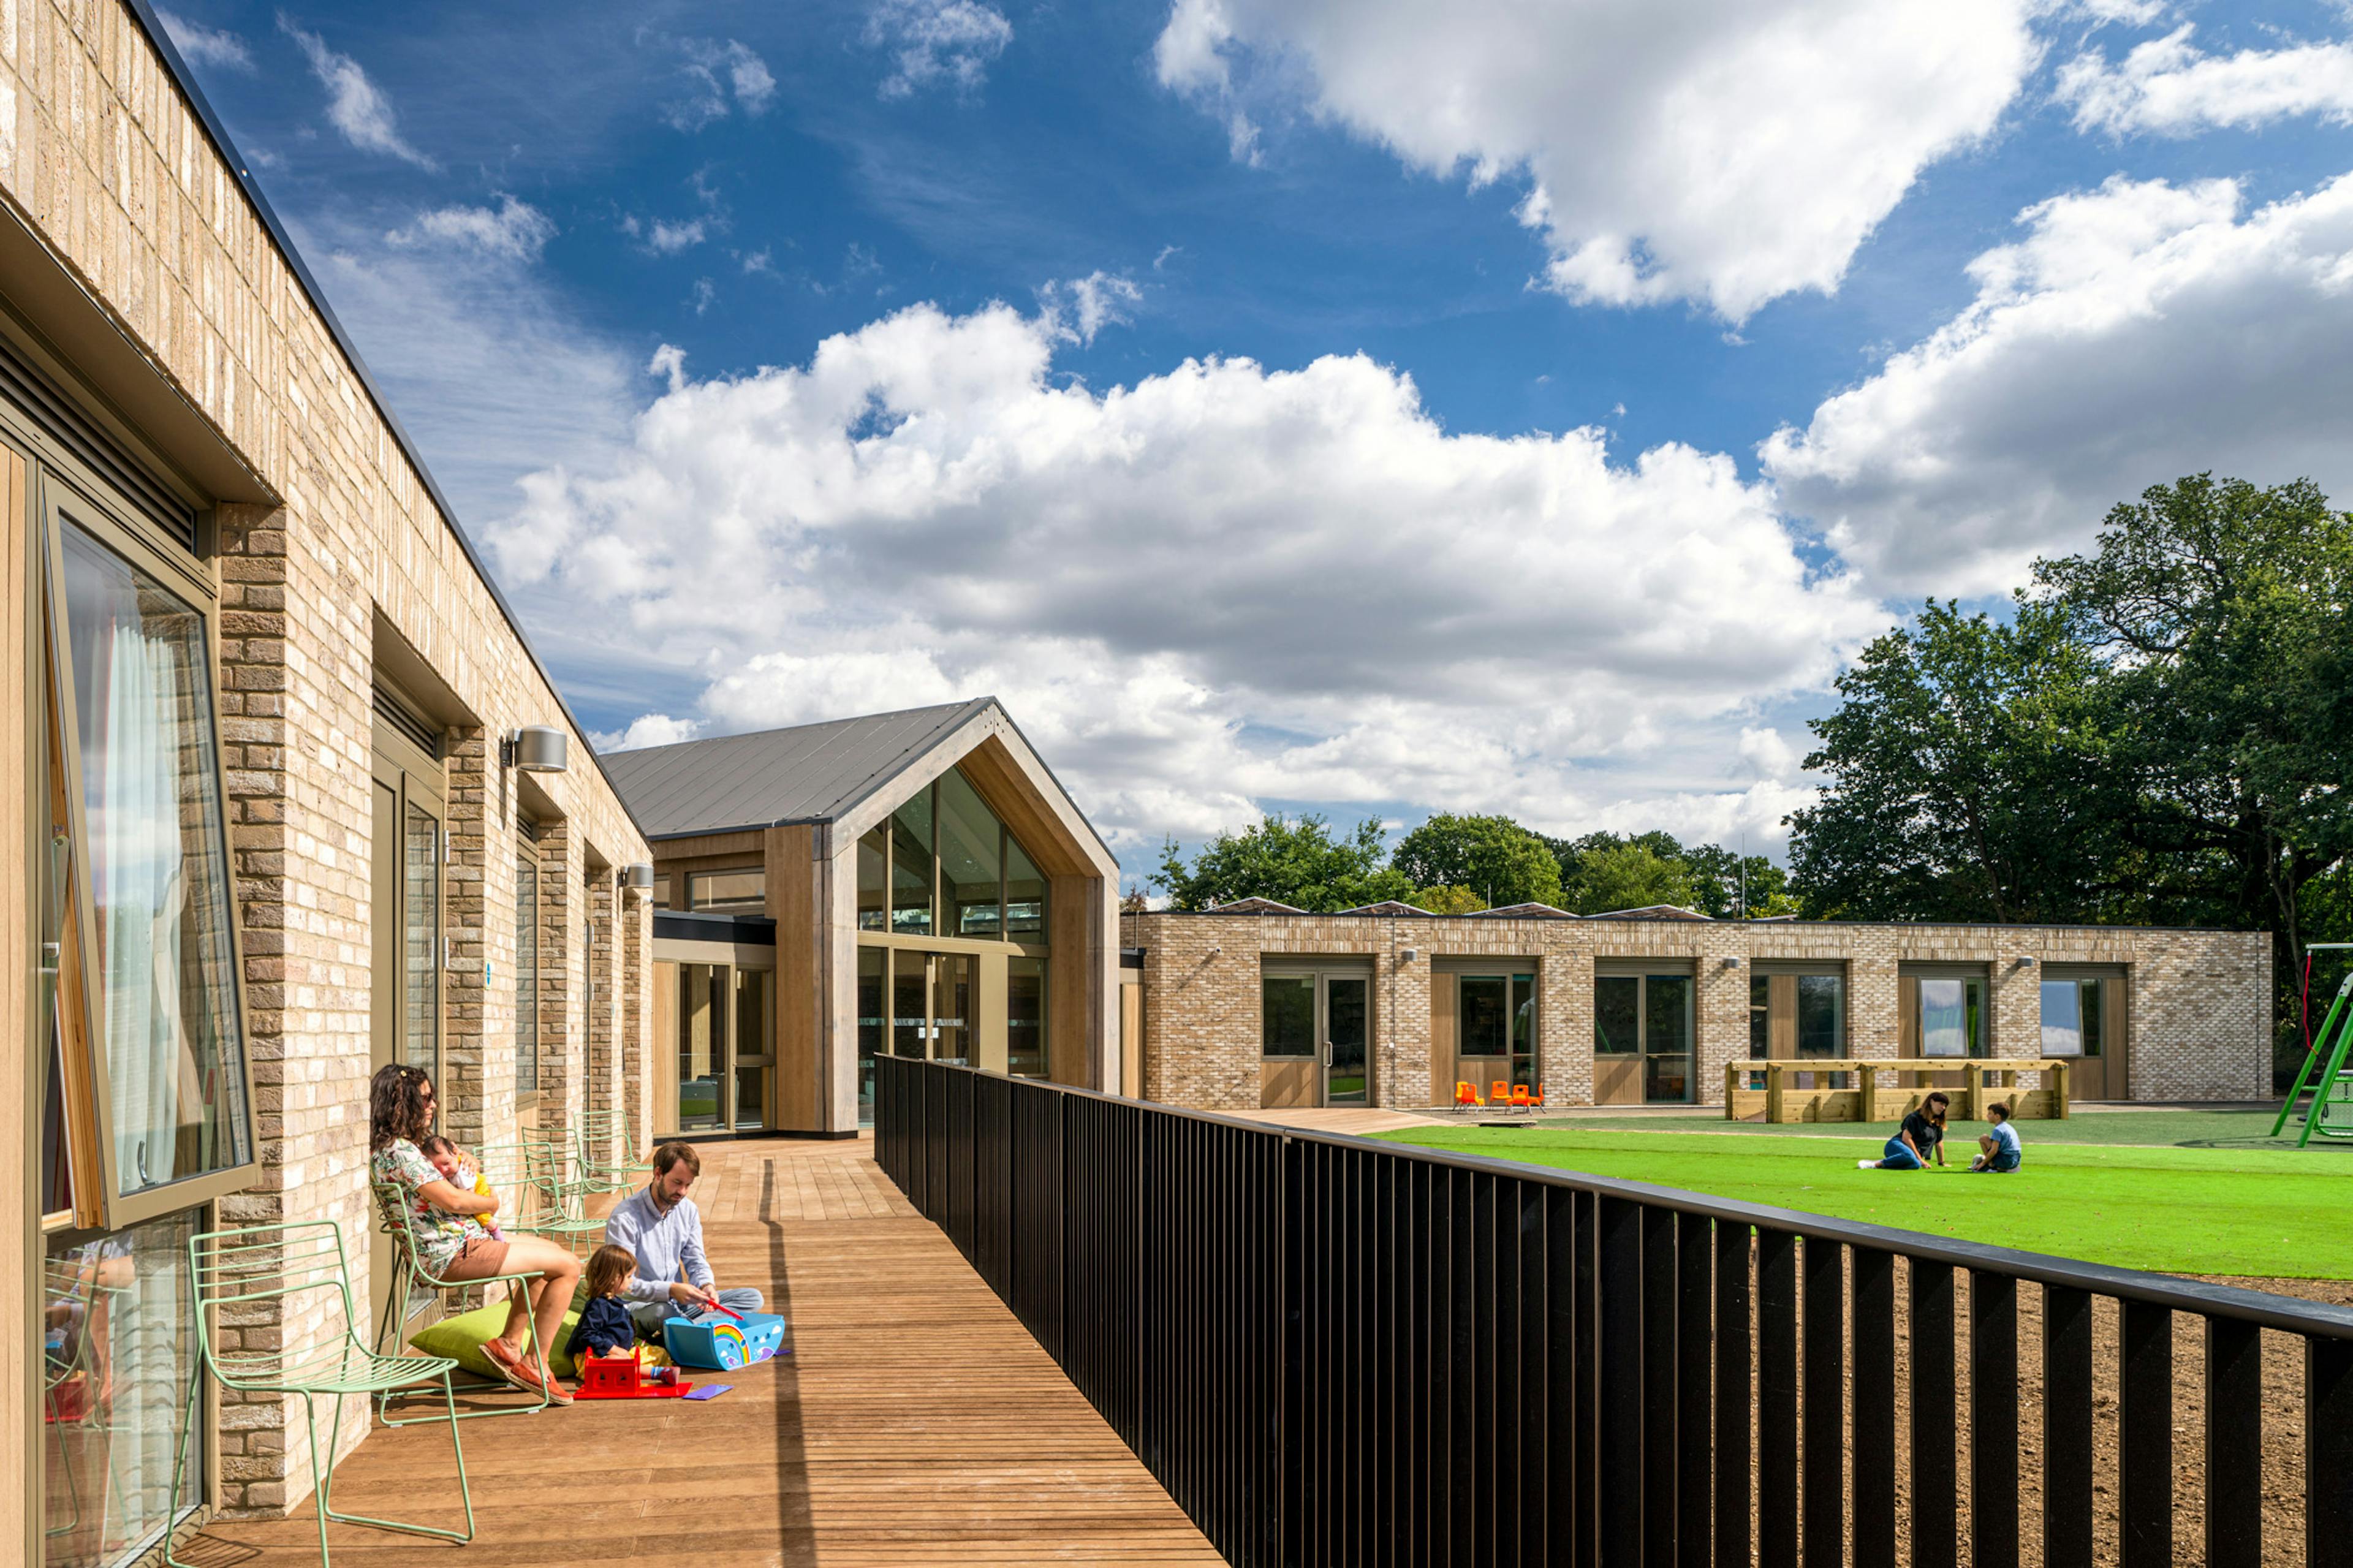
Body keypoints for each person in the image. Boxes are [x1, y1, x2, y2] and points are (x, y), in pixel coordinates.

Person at [368, 1064, 579, 1404]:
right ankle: (534, 1364)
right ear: (401, 1101)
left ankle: (510, 1344)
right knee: (568, 1266)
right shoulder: (401, 1153)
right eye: (425, 1098)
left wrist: (467, 1157)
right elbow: (452, 1199)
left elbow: (450, 1169)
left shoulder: (402, 1148)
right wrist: (491, 1202)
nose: (433, 1104)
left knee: (552, 1254)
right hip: (454, 1254)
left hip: (462, 1243)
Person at [604, 1142, 767, 1343]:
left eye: (688, 1185)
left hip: (679, 1301)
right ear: (658, 1174)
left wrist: (707, 1286)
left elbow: (696, 1259)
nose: (682, 1191)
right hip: (640, 1305)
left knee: (752, 1298)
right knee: (663, 1313)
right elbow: (621, 1284)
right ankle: (696, 1330)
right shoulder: (625, 1217)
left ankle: (686, 1331)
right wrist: (670, 1290)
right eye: (677, 1182)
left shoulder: (688, 1210)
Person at [567, 1244, 650, 1368]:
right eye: (628, 1277)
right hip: (594, 1357)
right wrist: (613, 1349)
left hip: (618, 1353)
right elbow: (588, 1334)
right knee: (621, 1363)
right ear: (613, 1278)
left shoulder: (614, 1302)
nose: (631, 1281)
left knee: (659, 1354)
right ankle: (655, 1374)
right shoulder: (599, 1305)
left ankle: (637, 1369)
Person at [419, 1135, 501, 1240]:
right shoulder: (453, 1167)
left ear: (455, 1153)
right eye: (437, 1168)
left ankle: (497, 1234)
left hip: (479, 1193)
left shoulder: (462, 1174)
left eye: (447, 1163)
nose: (444, 1170)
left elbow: (470, 1199)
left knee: (483, 1218)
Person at [1859, 1091, 1950, 1170]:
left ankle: (1889, 1164)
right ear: (1931, 1102)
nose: (1943, 1108)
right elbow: (1906, 1139)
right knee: (1911, 1157)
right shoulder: (1914, 1118)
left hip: (1912, 1154)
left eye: (1945, 1106)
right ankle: (1874, 1164)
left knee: (1916, 1164)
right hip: (1897, 1145)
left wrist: (1941, 1163)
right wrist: (1921, 1159)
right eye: (1941, 1104)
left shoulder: (1937, 1123)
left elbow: (1939, 1143)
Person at [1972, 1102, 2025, 1173]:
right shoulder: (2008, 1127)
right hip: (2016, 1160)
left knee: (1983, 1139)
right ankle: (2005, 1167)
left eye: (1990, 1114)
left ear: (1997, 1116)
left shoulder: (1998, 1130)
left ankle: (1992, 1166)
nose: (1987, 1116)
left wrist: (1983, 1163)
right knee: (1985, 1139)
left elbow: (1994, 1150)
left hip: (2006, 1161)